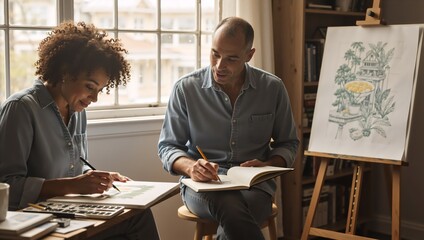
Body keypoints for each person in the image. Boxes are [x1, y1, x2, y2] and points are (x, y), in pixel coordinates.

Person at [0, 21, 159, 240]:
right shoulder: (21, 108)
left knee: (137, 216)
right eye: (90, 87)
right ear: (65, 73)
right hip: (32, 221)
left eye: (100, 90)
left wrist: (97, 179)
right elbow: (7, 187)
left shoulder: (77, 110)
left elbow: (72, 171)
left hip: (65, 213)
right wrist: (73, 185)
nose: (94, 98)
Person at [158, 16, 299, 240]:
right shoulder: (186, 89)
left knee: (235, 212)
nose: (219, 66)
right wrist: (192, 167)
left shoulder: (272, 88)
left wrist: (269, 164)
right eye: (215, 54)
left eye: (231, 58)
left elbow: (288, 143)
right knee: (230, 204)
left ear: (249, 55)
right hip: (201, 187)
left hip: (255, 188)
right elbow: (168, 147)